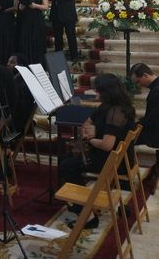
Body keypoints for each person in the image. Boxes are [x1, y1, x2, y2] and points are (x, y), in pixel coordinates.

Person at [58, 73, 136, 229]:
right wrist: (90, 129)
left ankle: (88, 215)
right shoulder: (109, 106)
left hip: (111, 161)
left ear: (107, 92)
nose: (96, 94)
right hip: (114, 157)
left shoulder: (116, 112)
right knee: (66, 158)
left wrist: (89, 139)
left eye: (98, 91)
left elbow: (107, 145)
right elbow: (87, 122)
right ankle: (79, 202)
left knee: (67, 166)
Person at [17, 0, 49, 64]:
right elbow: (20, 7)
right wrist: (22, 6)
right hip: (26, 20)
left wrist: (35, 5)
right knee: (26, 41)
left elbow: (46, 6)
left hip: (36, 20)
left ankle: (38, 62)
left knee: (36, 41)